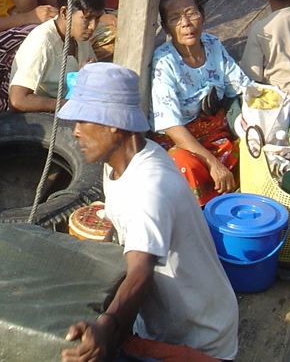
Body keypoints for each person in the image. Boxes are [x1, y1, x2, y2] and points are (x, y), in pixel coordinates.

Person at [59, 63, 239, 362]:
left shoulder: (148, 187)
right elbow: (123, 230)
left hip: (199, 336)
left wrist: (107, 326)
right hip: (163, 321)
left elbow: (140, 272)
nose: (75, 132)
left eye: (83, 120)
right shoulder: (122, 161)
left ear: (113, 123)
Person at [150, 0, 253, 205]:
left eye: (191, 13)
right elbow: (171, 125)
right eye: (175, 18)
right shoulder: (164, 62)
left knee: (250, 148)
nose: (186, 23)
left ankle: (236, 198)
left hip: (212, 128)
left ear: (203, 15)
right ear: (167, 27)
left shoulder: (212, 44)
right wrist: (213, 163)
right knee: (184, 162)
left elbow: (242, 87)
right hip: (179, 138)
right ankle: (204, 209)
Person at [8, 0, 104, 113]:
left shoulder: (79, 36)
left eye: (97, 18)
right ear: (65, 13)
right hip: (40, 119)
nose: (93, 26)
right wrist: (69, 105)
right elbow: (17, 101)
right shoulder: (42, 42)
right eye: (87, 18)